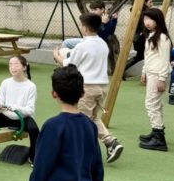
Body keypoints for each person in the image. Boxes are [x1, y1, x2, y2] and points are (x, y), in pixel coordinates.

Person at [53, 12, 124, 164]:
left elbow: (68, 65)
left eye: (81, 25)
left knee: (81, 121)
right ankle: (110, 142)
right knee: (92, 117)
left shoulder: (82, 46)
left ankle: (81, 152)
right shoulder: (102, 44)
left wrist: (56, 55)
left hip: (87, 87)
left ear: (85, 28)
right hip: (102, 87)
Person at [0, 55, 40, 163]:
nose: (13, 67)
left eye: (16, 65)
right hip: (6, 116)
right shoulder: (6, 82)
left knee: (34, 130)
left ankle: (33, 156)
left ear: (24, 67)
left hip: (23, 118)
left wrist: (14, 107)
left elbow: (30, 110)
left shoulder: (31, 86)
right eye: (10, 65)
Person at [138, 8, 172, 152]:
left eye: (150, 19)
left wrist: (162, 78)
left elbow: (165, 60)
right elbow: (148, 56)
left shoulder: (162, 38)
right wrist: (144, 71)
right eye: (145, 19)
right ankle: (156, 131)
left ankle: (159, 138)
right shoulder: (151, 35)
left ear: (158, 20)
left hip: (158, 75)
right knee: (155, 104)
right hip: (152, 73)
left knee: (151, 104)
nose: (147, 22)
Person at [125, 0, 155, 73]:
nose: (152, 4)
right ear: (144, 3)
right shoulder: (143, 13)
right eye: (150, 2)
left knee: (141, 56)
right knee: (142, 56)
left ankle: (122, 69)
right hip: (141, 38)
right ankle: (122, 69)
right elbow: (144, 26)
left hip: (140, 37)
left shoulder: (139, 11)